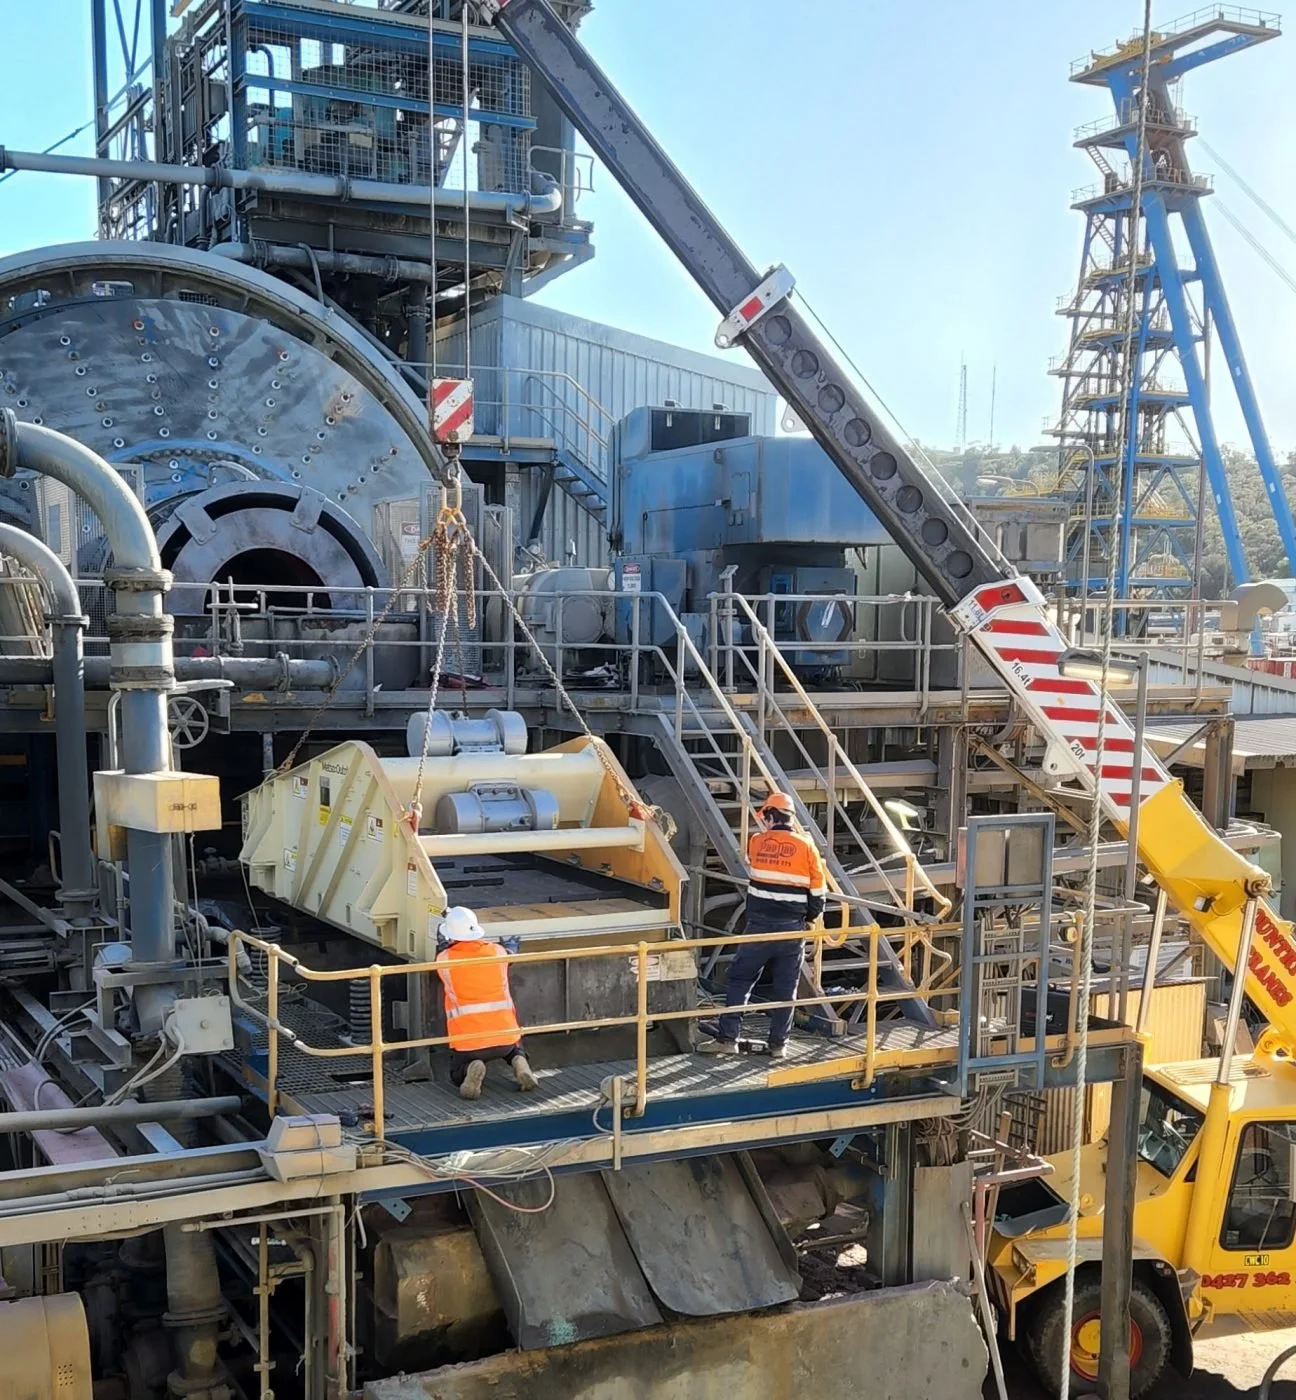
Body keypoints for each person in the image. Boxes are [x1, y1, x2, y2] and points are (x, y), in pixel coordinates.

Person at [697, 791, 827, 1060]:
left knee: (741, 979)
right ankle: (779, 1045)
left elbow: (754, 863)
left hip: (759, 926)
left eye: (764, 817)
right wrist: (808, 919)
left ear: (769, 816)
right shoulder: (807, 847)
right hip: (792, 929)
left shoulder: (756, 842)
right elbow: (818, 894)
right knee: (785, 989)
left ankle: (728, 1038)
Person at [434, 906, 538, 1099]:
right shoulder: (498, 953)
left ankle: (471, 1068)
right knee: (515, 1047)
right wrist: (512, 948)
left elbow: (442, 958)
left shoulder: (444, 960)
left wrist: (442, 945)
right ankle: (520, 1063)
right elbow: (509, 955)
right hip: (505, 1038)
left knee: (456, 1073)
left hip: (468, 1043)